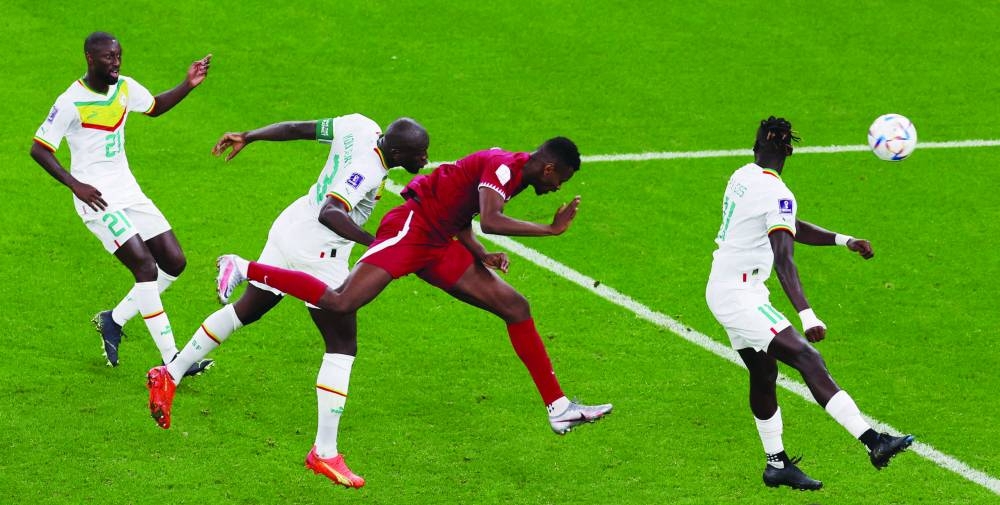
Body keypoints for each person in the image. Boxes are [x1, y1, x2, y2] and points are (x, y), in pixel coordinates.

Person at [200, 138, 611, 437]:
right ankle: (245, 267)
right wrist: (550, 230)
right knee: (341, 302)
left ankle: (558, 407)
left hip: (438, 242)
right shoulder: (505, 168)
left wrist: (479, 253)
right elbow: (490, 219)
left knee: (515, 306)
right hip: (410, 230)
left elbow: (463, 213)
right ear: (549, 169)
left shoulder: (514, 171)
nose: (557, 189)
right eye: (561, 180)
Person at [146, 114, 429, 488]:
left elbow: (298, 129)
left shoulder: (360, 125)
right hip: (317, 251)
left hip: (292, 223)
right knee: (342, 346)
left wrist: (249, 135)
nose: (425, 160)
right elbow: (331, 212)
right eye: (419, 154)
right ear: (397, 153)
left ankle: (169, 374)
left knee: (248, 310)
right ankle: (325, 453)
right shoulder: (367, 170)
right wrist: (376, 243)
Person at [705, 116, 915, 491]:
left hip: (727, 286)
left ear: (758, 146)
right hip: (740, 294)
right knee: (807, 357)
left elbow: (790, 225)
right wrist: (807, 314)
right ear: (788, 149)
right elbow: (784, 258)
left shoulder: (743, 175)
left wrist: (843, 240)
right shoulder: (776, 192)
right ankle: (874, 442)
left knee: (764, 374)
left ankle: (776, 465)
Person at [30, 31, 213, 376]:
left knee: (174, 262)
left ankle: (112, 320)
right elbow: (39, 149)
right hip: (96, 199)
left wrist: (187, 84)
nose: (116, 63)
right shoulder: (70, 101)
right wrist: (75, 184)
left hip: (127, 190)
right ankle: (173, 360)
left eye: (118, 56)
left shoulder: (125, 87)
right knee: (144, 267)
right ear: (90, 58)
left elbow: (154, 107)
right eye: (108, 58)